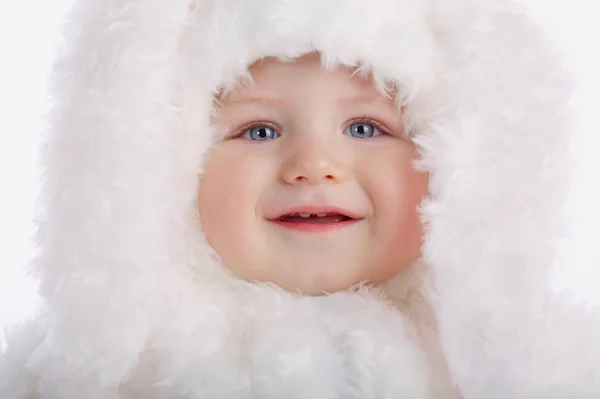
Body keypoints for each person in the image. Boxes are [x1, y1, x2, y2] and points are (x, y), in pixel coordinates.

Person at [1, 0, 599, 397]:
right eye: (259, 131)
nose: (313, 166)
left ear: (460, 168)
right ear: (159, 168)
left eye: (365, 128)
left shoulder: (542, 375)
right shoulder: (91, 377)